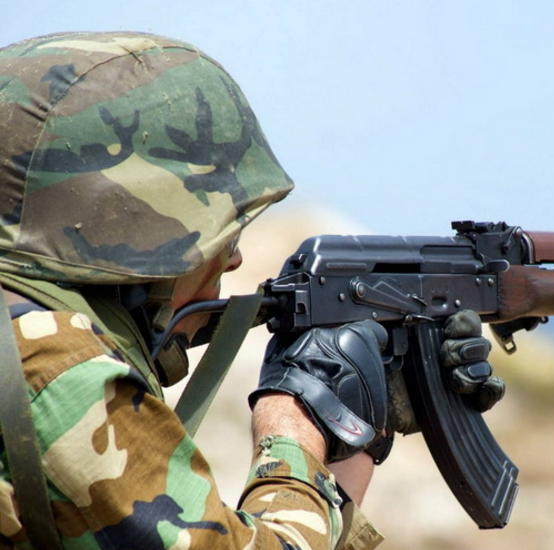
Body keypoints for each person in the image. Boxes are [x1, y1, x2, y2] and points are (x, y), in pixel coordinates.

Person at [0, 31, 501, 550]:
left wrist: (355, 433)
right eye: (219, 231)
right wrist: (294, 422)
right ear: (142, 236)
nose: (233, 257)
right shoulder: (55, 370)